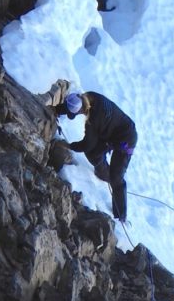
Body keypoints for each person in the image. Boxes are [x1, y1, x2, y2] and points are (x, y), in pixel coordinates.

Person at [54, 91, 137, 223]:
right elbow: (72, 105)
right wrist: (56, 110)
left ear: (81, 110)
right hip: (109, 133)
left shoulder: (93, 119)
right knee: (94, 153)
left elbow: (87, 144)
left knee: (116, 178)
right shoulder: (87, 97)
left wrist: (69, 146)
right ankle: (103, 173)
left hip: (125, 138)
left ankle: (121, 215)